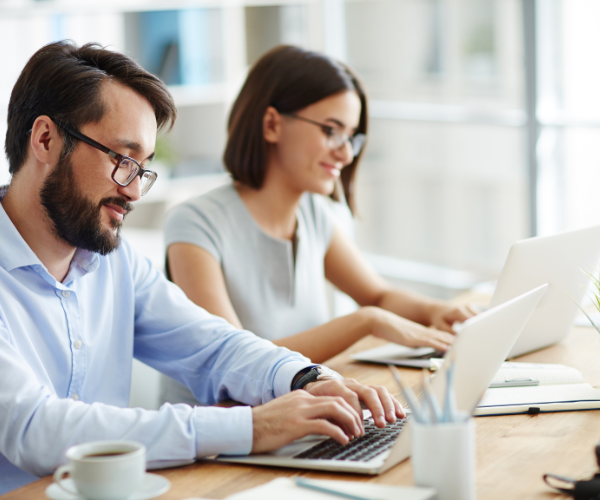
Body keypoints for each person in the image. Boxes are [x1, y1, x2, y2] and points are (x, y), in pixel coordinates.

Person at [0, 41, 404, 495]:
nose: (134, 192)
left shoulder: (115, 263)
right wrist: (250, 427)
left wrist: (307, 378)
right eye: (122, 160)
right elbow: (35, 429)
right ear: (45, 140)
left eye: (143, 167)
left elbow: (214, 346)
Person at [162, 45, 476, 405]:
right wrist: (366, 321)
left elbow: (376, 295)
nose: (345, 153)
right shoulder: (195, 224)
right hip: (220, 442)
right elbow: (235, 363)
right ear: (272, 124)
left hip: (300, 418)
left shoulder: (313, 213)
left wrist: (435, 311)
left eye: (351, 137)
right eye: (331, 131)